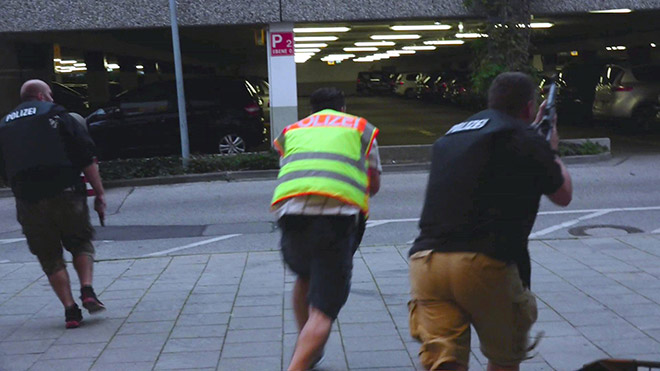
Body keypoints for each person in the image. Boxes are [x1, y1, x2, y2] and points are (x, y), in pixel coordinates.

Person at [408, 72, 572, 371]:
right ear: (528, 108)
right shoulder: (525, 138)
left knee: (444, 362)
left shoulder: (454, 133)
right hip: (484, 263)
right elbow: (563, 194)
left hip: (426, 262)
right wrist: (550, 146)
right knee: (504, 358)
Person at [271, 87, 382, 370]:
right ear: (342, 109)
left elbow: (293, 170)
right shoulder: (359, 128)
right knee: (323, 310)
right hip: (335, 220)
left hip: (290, 215)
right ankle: (300, 360)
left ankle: (306, 348)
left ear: (311, 111)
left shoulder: (293, 130)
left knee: (304, 276)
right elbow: (374, 185)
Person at [0, 79, 107, 329]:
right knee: (80, 241)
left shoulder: (4, 125)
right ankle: (87, 290)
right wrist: (99, 194)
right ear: (39, 96)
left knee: (49, 256)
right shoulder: (59, 116)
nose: (51, 99)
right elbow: (85, 157)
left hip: (28, 199)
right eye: (49, 94)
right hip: (66, 190)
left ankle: (70, 311)